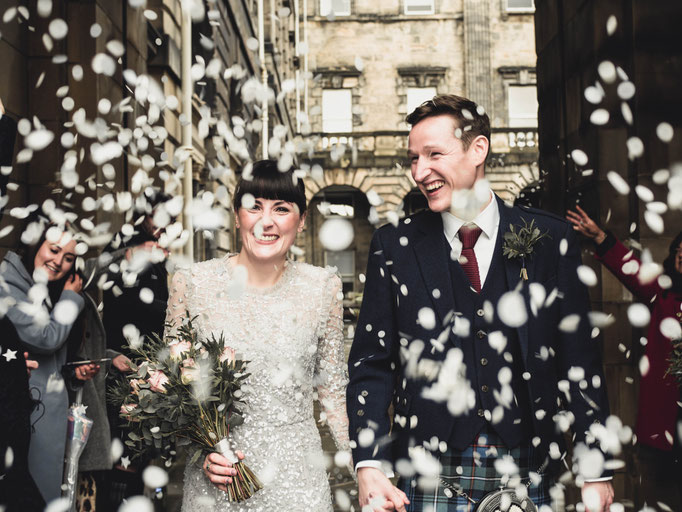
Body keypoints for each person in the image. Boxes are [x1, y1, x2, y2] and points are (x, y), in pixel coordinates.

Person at [347, 94, 614, 512]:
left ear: (478, 149)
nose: (420, 171)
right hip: (429, 465)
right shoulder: (393, 246)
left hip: (530, 462)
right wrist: (368, 461)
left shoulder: (549, 239)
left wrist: (595, 468)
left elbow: (579, 359)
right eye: (414, 158)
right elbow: (372, 365)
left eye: (434, 154)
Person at [165, 160, 350, 511]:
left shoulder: (323, 288)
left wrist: (368, 473)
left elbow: (334, 392)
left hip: (298, 482)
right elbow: (172, 392)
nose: (267, 222)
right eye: (254, 207)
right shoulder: (191, 284)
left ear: (302, 219)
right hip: (218, 481)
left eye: (281, 209)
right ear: (237, 217)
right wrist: (200, 450)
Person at [567, 205, 682, 510]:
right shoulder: (664, 293)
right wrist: (601, 237)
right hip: (664, 429)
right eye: (680, 250)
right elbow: (631, 270)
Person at [0, 215, 99, 503]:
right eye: (53, 250)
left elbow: (51, 358)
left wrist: (72, 372)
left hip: (45, 418)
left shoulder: (38, 286)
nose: (59, 261)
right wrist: (70, 297)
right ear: (35, 243)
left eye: (68, 257)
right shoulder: (7, 283)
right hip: (25, 417)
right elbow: (43, 338)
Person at [102, 188, 171, 505]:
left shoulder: (154, 245)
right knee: (127, 446)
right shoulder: (127, 246)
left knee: (144, 444)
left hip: (148, 361)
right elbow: (128, 302)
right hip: (126, 363)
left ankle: (143, 499)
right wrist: (174, 310)